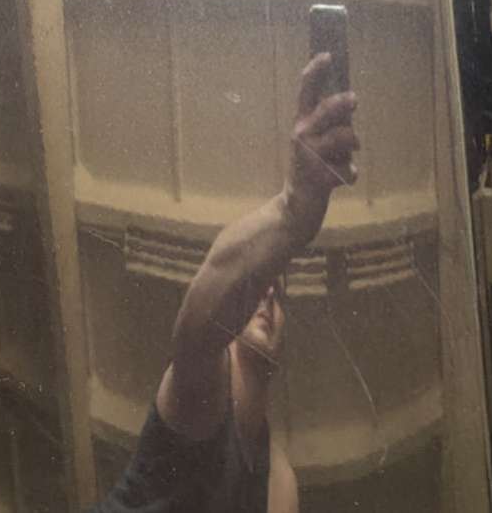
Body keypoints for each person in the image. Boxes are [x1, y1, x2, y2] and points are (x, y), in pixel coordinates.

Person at [91, 52, 359, 513]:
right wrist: (293, 211)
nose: (269, 294)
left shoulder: (278, 479)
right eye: (259, 287)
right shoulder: (207, 384)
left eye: (278, 291)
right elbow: (197, 331)